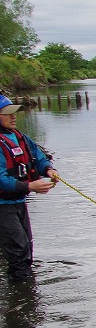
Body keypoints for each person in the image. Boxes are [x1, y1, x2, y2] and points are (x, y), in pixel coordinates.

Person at [0, 96, 59, 283]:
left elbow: (39, 157)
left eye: (14, 112)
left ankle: (26, 292)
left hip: (19, 202)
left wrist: (49, 169)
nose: (13, 117)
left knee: (26, 248)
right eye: (7, 113)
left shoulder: (19, 137)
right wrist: (31, 186)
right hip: (3, 206)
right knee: (18, 251)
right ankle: (21, 295)